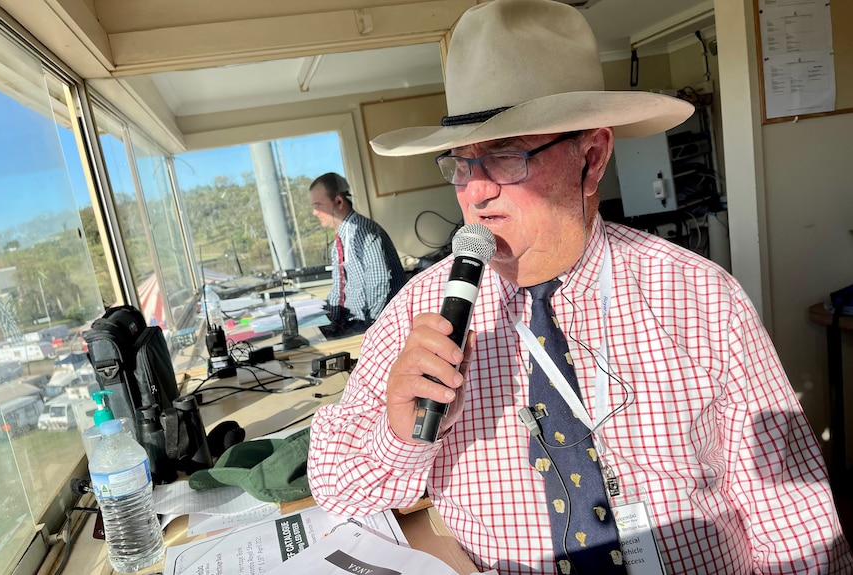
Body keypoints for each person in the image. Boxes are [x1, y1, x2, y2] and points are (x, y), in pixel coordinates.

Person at [308, 1, 853, 573]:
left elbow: (793, 522)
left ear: (591, 157)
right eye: (462, 164)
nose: (476, 192)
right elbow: (338, 493)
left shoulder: (701, 298)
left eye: (505, 156)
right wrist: (397, 432)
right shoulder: (417, 313)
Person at [308, 172, 406, 336]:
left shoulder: (363, 232)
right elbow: (338, 286)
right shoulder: (342, 237)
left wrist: (371, 328)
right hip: (351, 321)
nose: (315, 212)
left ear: (339, 202)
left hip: (373, 325)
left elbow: (379, 281)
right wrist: (332, 320)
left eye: (318, 205)